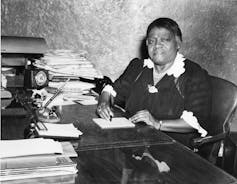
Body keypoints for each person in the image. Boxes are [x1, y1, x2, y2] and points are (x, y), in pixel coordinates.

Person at [96, 17, 212, 149]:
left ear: (178, 43)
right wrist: (103, 102)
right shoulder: (138, 67)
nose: (157, 45)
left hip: (174, 148)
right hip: (135, 142)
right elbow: (113, 91)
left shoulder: (193, 74)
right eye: (152, 41)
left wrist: (158, 123)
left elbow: (195, 121)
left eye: (164, 40)